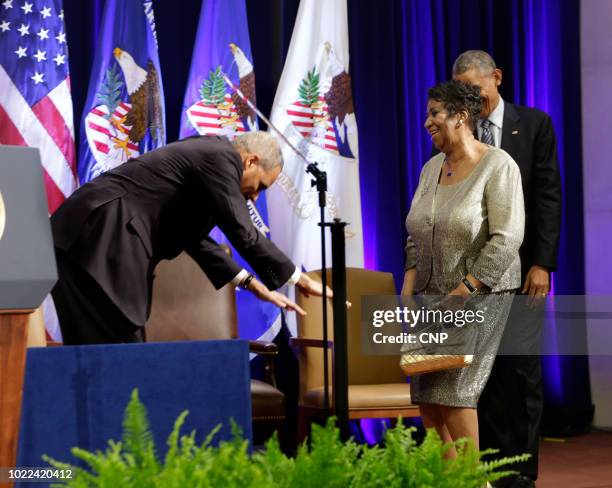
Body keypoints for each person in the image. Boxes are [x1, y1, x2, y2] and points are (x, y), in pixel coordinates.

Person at [51, 132, 328, 345]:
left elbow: (195, 240)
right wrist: (297, 277)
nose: (255, 197)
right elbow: (243, 231)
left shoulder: (207, 167)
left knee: (99, 358)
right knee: (119, 354)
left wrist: (251, 283)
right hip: (98, 240)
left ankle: (99, 420)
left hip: (86, 245)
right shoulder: (221, 156)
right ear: (251, 161)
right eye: (261, 186)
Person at [452, 50, 562, 488]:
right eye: (462, 93)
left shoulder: (534, 125)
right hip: (472, 281)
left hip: (522, 276)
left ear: (496, 78)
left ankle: (522, 474)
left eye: (475, 90)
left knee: (521, 375)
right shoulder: (457, 133)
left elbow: (548, 198)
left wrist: (542, 263)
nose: (470, 100)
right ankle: (490, 473)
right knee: (482, 378)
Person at [401, 80, 525, 455]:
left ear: (461, 117)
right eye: (428, 114)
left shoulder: (497, 165)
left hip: (481, 295)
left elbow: (507, 237)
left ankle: (473, 478)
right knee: (426, 396)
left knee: (455, 391)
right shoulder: (431, 168)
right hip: (430, 296)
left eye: (435, 113)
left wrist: (465, 290)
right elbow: (415, 234)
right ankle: (457, 479)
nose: (427, 122)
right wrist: (407, 290)